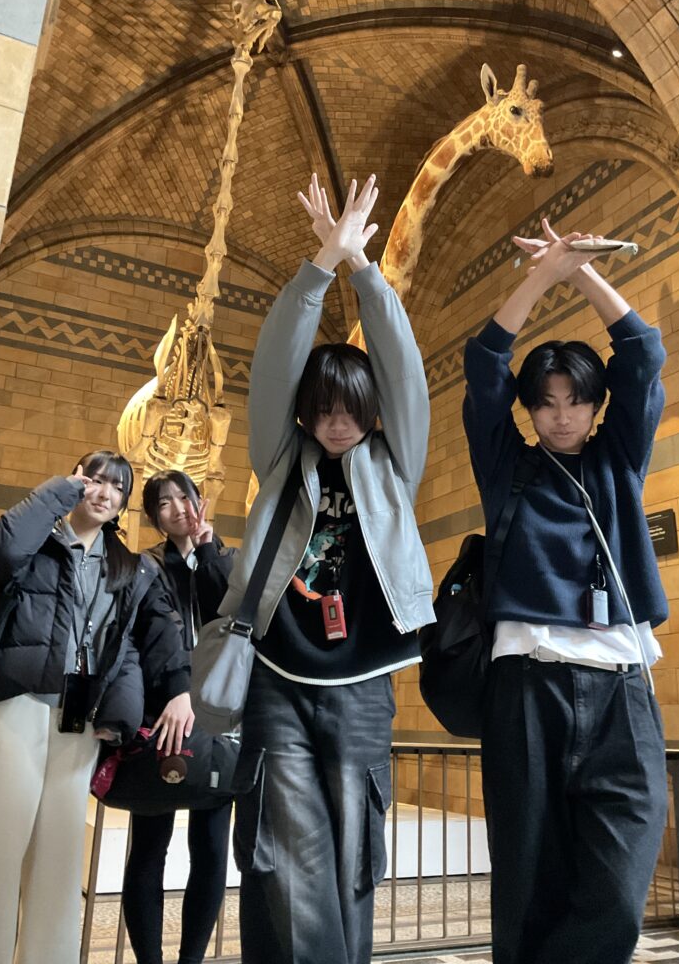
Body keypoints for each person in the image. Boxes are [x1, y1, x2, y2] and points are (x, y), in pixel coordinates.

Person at [217, 173, 434, 964]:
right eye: (325, 411)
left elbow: (402, 368)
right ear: (307, 414)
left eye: (352, 412)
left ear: (371, 414)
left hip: (364, 679)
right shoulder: (282, 457)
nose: (338, 425)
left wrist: (364, 270)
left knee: (351, 852)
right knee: (281, 852)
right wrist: (320, 266)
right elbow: (275, 366)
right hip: (276, 673)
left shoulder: (394, 463)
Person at [463, 219, 669, 964]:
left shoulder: (619, 461)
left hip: (622, 689)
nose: (560, 414)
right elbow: (485, 364)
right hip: (529, 686)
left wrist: (580, 272)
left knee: (619, 886)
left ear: (595, 404)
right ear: (530, 407)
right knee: (529, 882)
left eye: (576, 399)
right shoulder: (506, 466)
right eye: (546, 401)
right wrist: (539, 279)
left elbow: (643, 356)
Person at [0, 450, 191, 964]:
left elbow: (143, 637)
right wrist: (60, 490)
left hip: (80, 721)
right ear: (76, 482)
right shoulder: (36, 544)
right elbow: (1, 546)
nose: (104, 492)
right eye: (95, 480)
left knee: (59, 860)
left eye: (117, 487)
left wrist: (157, 698)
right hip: (17, 705)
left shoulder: (129, 567)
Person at [122, 469, 237, 964]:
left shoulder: (226, 558)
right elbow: (154, 635)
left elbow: (231, 622)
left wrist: (207, 551)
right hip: (163, 715)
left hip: (218, 716)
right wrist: (178, 691)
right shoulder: (146, 566)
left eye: (183, 497)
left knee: (210, 849)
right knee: (150, 846)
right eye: (163, 503)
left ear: (199, 500)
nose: (177, 508)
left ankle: (191, 960)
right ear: (153, 517)